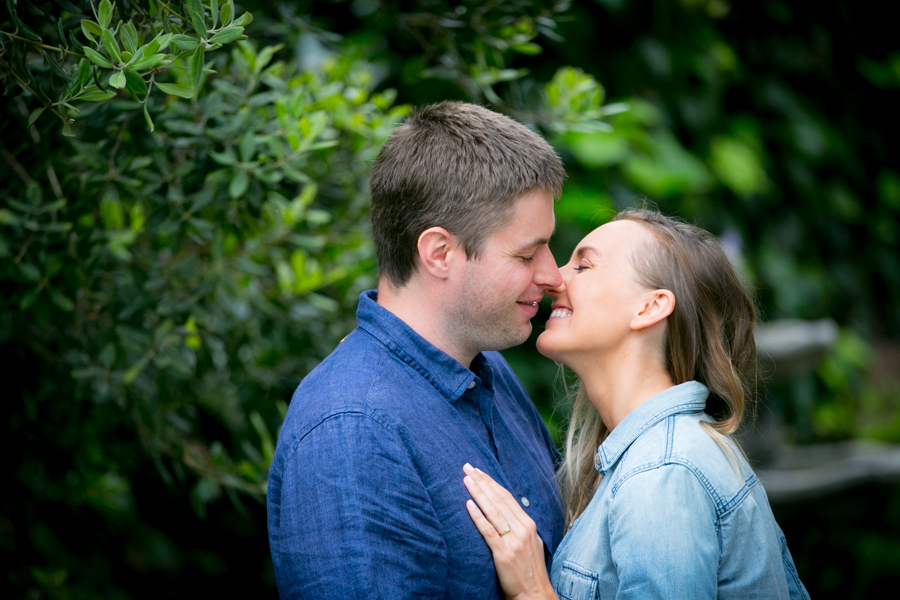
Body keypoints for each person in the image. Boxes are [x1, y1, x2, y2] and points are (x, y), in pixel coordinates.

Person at [267, 102, 568, 599]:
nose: (552, 276)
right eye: (526, 253)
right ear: (440, 253)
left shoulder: (488, 368)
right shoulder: (354, 433)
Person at [462, 209, 811, 600]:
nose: (554, 278)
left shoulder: (662, 474)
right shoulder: (652, 458)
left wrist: (533, 592)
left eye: (584, 265)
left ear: (649, 308)